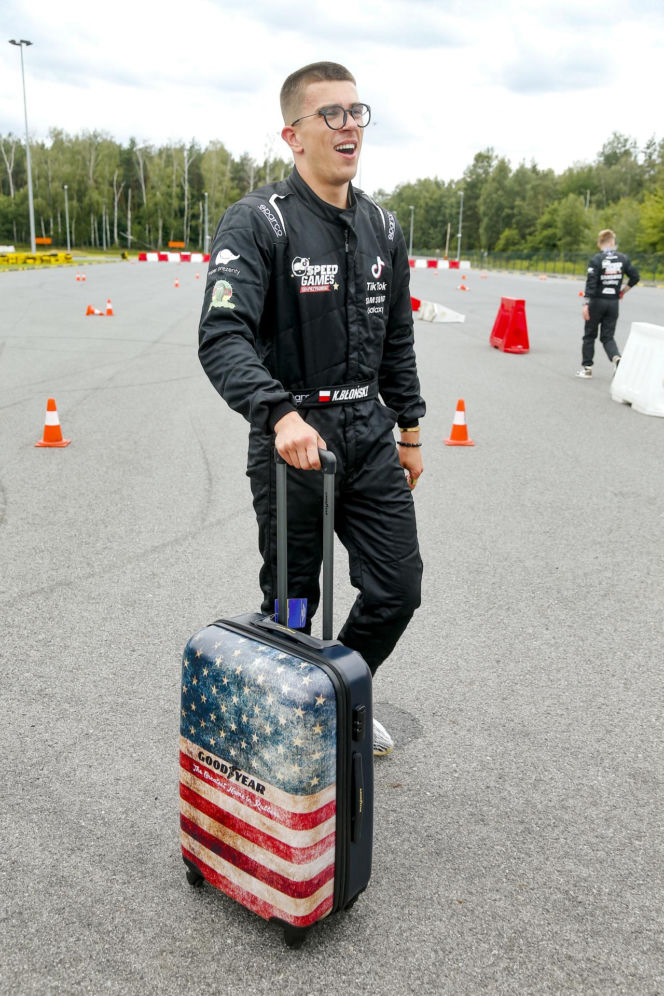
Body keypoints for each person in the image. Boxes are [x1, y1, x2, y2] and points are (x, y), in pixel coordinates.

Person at [198, 62, 425, 757]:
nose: (348, 125)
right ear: (293, 135)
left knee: (398, 589)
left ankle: (335, 696)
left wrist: (410, 429)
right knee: (294, 603)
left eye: (357, 111)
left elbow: (397, 338)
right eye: (330, 114)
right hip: (292, 439)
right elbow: (222, 333)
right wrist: (278, 414)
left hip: (368, 436)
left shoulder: (384, 225)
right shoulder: (259, 221)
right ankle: (284, 719)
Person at [576, 229, 639, 378]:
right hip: (613, 303)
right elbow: (635, 277)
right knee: (608, 337)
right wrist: (623, 291)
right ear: (613, 242)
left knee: (589, 335)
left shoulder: (597, 259)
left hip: (597, 301)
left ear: (600, 244)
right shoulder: (623, 258)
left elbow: (591, 283)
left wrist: (586, 304)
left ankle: (587, 368)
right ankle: (616, 358)